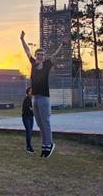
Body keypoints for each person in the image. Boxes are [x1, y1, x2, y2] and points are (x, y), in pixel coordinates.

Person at [21, 30, 65, 158]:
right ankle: (44, 145)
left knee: (45, 122)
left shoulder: (47, 64)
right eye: (38, 54)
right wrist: (22, 39)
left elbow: (56, 54)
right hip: (35, 98)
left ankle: (49, 144)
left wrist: (62, 44)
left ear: (45, 56)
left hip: (44, 98)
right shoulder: (33, 63)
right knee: (39, 123)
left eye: (42, 54)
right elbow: (27, 51)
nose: (40, 55)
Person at [22, 87, 35, 154]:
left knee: (30, 132)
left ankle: (28, 147)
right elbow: (28, 108)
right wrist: (32, 109)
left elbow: (33, 109)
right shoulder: (26, 99)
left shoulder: (32, 99)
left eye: (32, 91)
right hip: (26, 118)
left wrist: (33, 109)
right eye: (30, 91)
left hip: (31, 117)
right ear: (28, 92)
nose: (31, 92)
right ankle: (29, 147)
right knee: (28, 131)